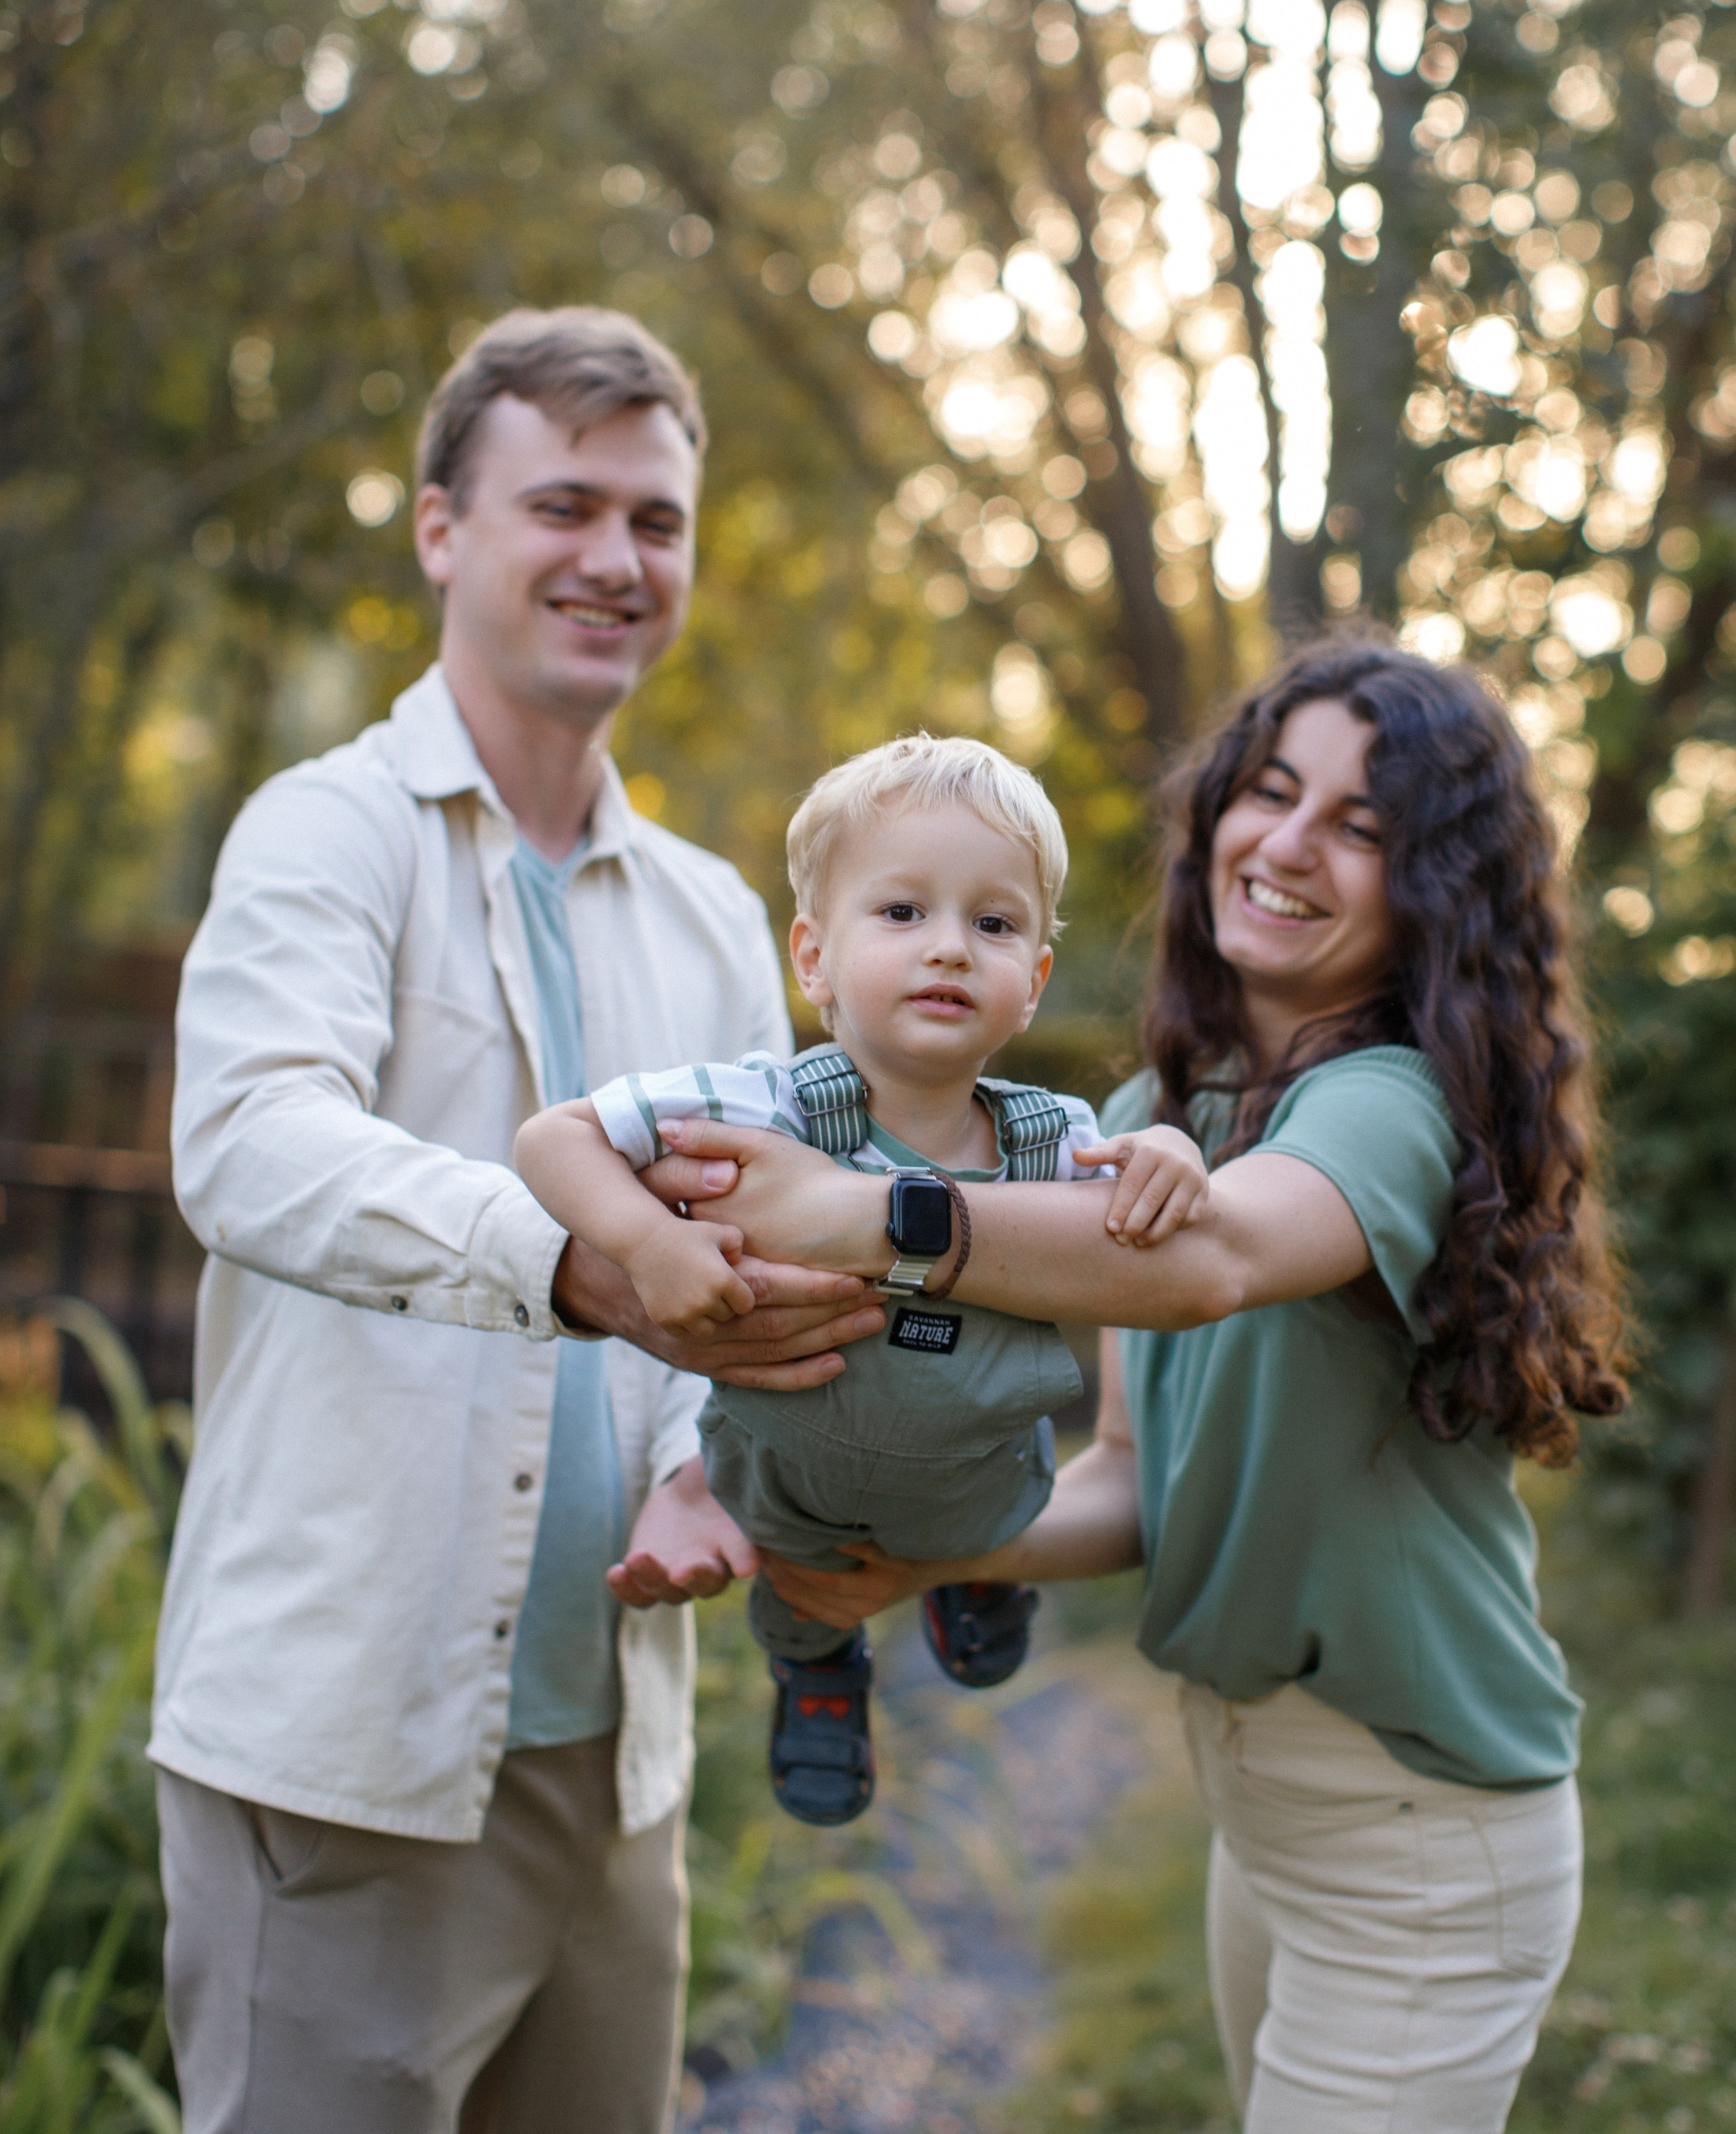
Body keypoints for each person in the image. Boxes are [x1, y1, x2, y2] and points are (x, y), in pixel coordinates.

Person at [633, 637, 1631, 2134]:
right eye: (1269, 791)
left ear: (1430, 885)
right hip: (1262, 1810)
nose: (1286, 844)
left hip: (1422, 1830)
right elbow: (1122, 1477)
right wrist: (901, 1561)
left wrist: (856, 1213)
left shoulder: (1396, 1101)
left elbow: (1207, 1261)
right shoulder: (1146, 1121)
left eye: (1359, 825)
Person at [155, 305, 877, 2134]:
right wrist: (574, 1255)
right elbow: (249, 1143)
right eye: (565, 505)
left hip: (615, 1760)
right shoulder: (325, 835)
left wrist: (714, 1455)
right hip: (345, 1755)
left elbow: (758, 1259)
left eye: (656, 521)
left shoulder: (719, 915)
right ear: (440, 529)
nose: (615, 560)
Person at [515, 735, 1206, 1825]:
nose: (948, 948)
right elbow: (552, 1140)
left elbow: (1142, 1227)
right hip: (799, 1466)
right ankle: (820, 1670)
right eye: (901, 913)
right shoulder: (759, 1105)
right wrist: (649, 1248)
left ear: (1031, 984)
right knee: (798, 1566)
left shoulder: (1057, 1134)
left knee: (992, 1489)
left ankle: (979, 1569)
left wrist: (1174, 1158)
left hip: (978, 1472)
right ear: (812, 957)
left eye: (992, 923)